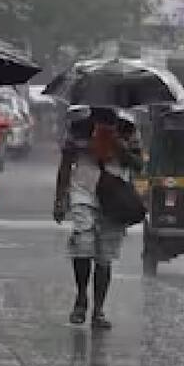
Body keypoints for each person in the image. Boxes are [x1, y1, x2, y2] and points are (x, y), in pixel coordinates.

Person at [54, 106, 143, 329]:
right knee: (83, 244)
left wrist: (117, 145)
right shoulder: (78, 127)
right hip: (84, 190)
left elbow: (138, 164)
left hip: (114, 196)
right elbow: (66, 163)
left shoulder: (127, 128)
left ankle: (99, 309)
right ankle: (82, 297)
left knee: (105, 256)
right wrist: (60, 198)